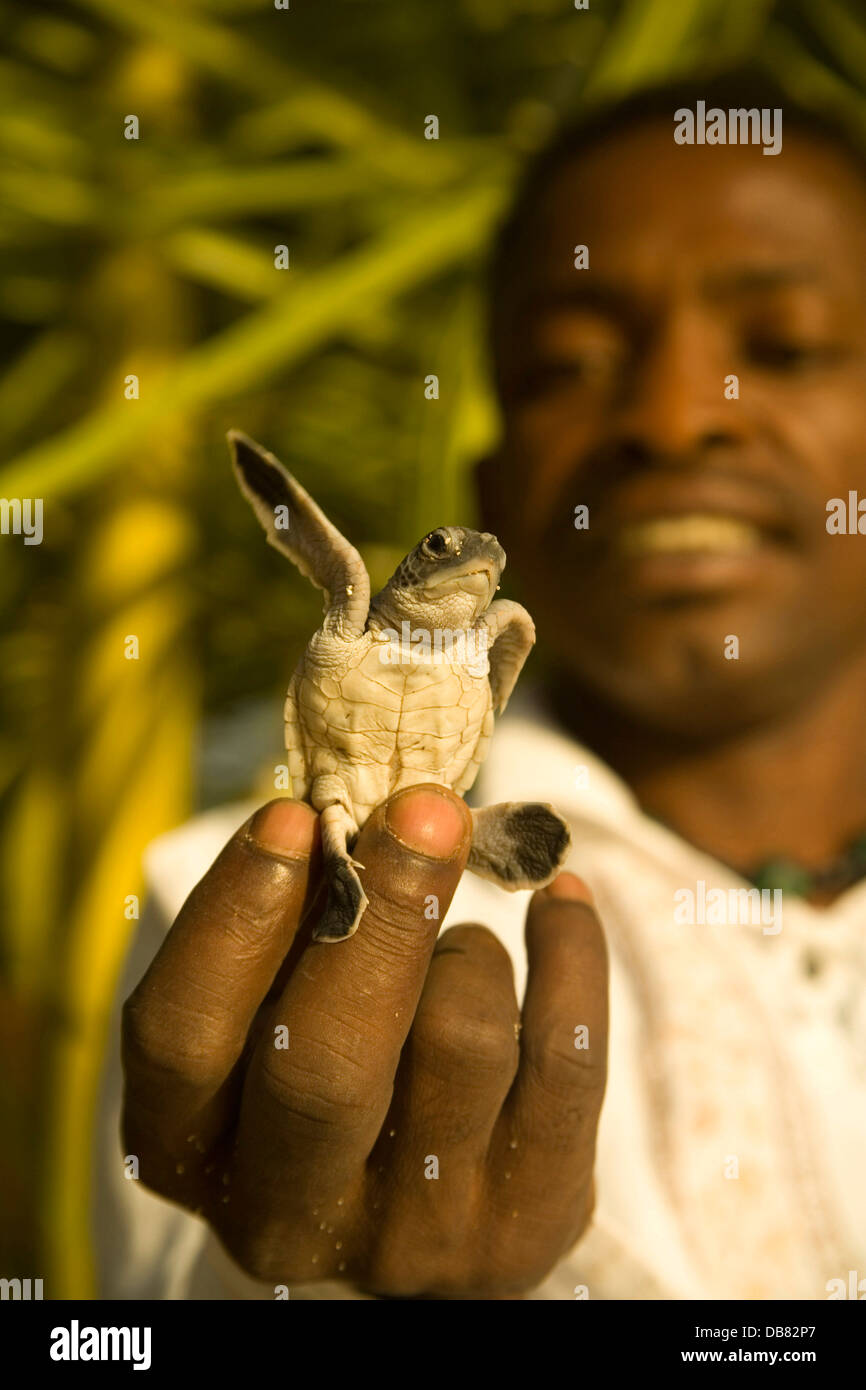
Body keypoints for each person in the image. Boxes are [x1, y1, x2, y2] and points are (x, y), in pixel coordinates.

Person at [94, 71, 866, 1300]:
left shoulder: (497, 621)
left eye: (782, 347)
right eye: (569, 363)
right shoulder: (226, 909)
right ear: (496, 485)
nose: (672, 418)